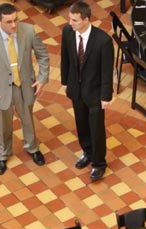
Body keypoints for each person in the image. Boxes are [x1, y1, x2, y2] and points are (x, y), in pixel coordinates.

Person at [0, 2, 49, 175]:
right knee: (2, 124)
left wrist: (42, 78)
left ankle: (32, 148)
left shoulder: (28, 31)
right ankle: (2, 154)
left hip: (25, 86)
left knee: (27, 118)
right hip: (0, 91)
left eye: (15, 20)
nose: (14, 25)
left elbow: (43, 56)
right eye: (8, 22)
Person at [60, 1, 114, 181]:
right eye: (70, 19)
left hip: (95, 94)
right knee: (81, 124)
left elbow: (107, 72)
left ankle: (99, 163)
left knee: (96, 129)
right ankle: (87, 152)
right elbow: (65, 58)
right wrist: (65, 82)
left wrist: (106, 96)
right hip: (76, 90)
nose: (70, 23)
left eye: (74, 20)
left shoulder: (103, 41)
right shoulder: (68, 32)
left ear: (86, 19)